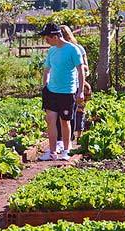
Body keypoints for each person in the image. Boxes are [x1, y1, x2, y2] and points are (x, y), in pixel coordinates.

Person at [38, 23, 85, 161]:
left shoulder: (73, 50)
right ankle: (52, 151)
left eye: (47, 37)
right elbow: (47, 69)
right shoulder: (52, 51)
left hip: (67, 92)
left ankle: (66, 149)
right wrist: (45, 84)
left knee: (65, 122)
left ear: (55, 36)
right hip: (51, 92)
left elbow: (81, 71)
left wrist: (80, 91)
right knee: (50, 120)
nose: (46, 40)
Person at [55, 25, 90, 151]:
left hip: (75, 84)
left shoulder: (77, 49)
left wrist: (81, 81)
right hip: (61, 86)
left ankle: (69, 139)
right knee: (62, 114)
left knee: (74, 112)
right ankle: (63, 139)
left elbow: (86, 68)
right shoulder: (56, 49)